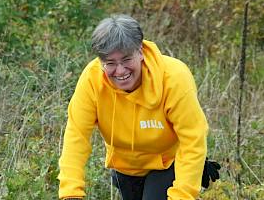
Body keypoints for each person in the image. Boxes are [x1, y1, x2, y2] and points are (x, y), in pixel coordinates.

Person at [58, 14, 219, 200]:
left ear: (140, 51)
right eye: (110, 63)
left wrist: (182, 195)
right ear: (101, 62)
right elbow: (76, 136)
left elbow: (193, 140)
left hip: (169, 163)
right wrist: (71, 193)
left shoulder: (174, 78)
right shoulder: (92, 80)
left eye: (126, 60)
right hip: (126, 167)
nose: (120, 71)